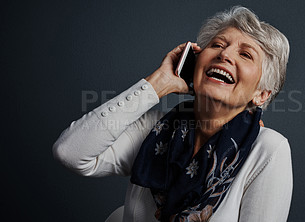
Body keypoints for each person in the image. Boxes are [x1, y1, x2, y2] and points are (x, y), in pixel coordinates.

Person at [53, 6, 292, 222]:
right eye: (218, 45)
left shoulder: (268, 151)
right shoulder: (155, 128)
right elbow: (70, 153)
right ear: (195, 62)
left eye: (245, 54)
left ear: (261, 94)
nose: (224, 55)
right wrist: (157, 85)